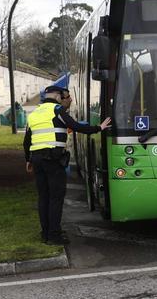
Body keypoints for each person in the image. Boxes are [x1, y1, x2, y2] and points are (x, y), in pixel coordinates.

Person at [23, 77, 110, 245]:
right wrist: (99, 128)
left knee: (44, 197)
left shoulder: (34, 113)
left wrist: (28, 159)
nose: (66, 100)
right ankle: (54, 236)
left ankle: (45, 233)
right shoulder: (57, 110)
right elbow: (76, 126)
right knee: (56, 197)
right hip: (53, 158)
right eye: (64, 96)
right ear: (57, 96)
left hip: (37, 159)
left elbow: (27, 141)